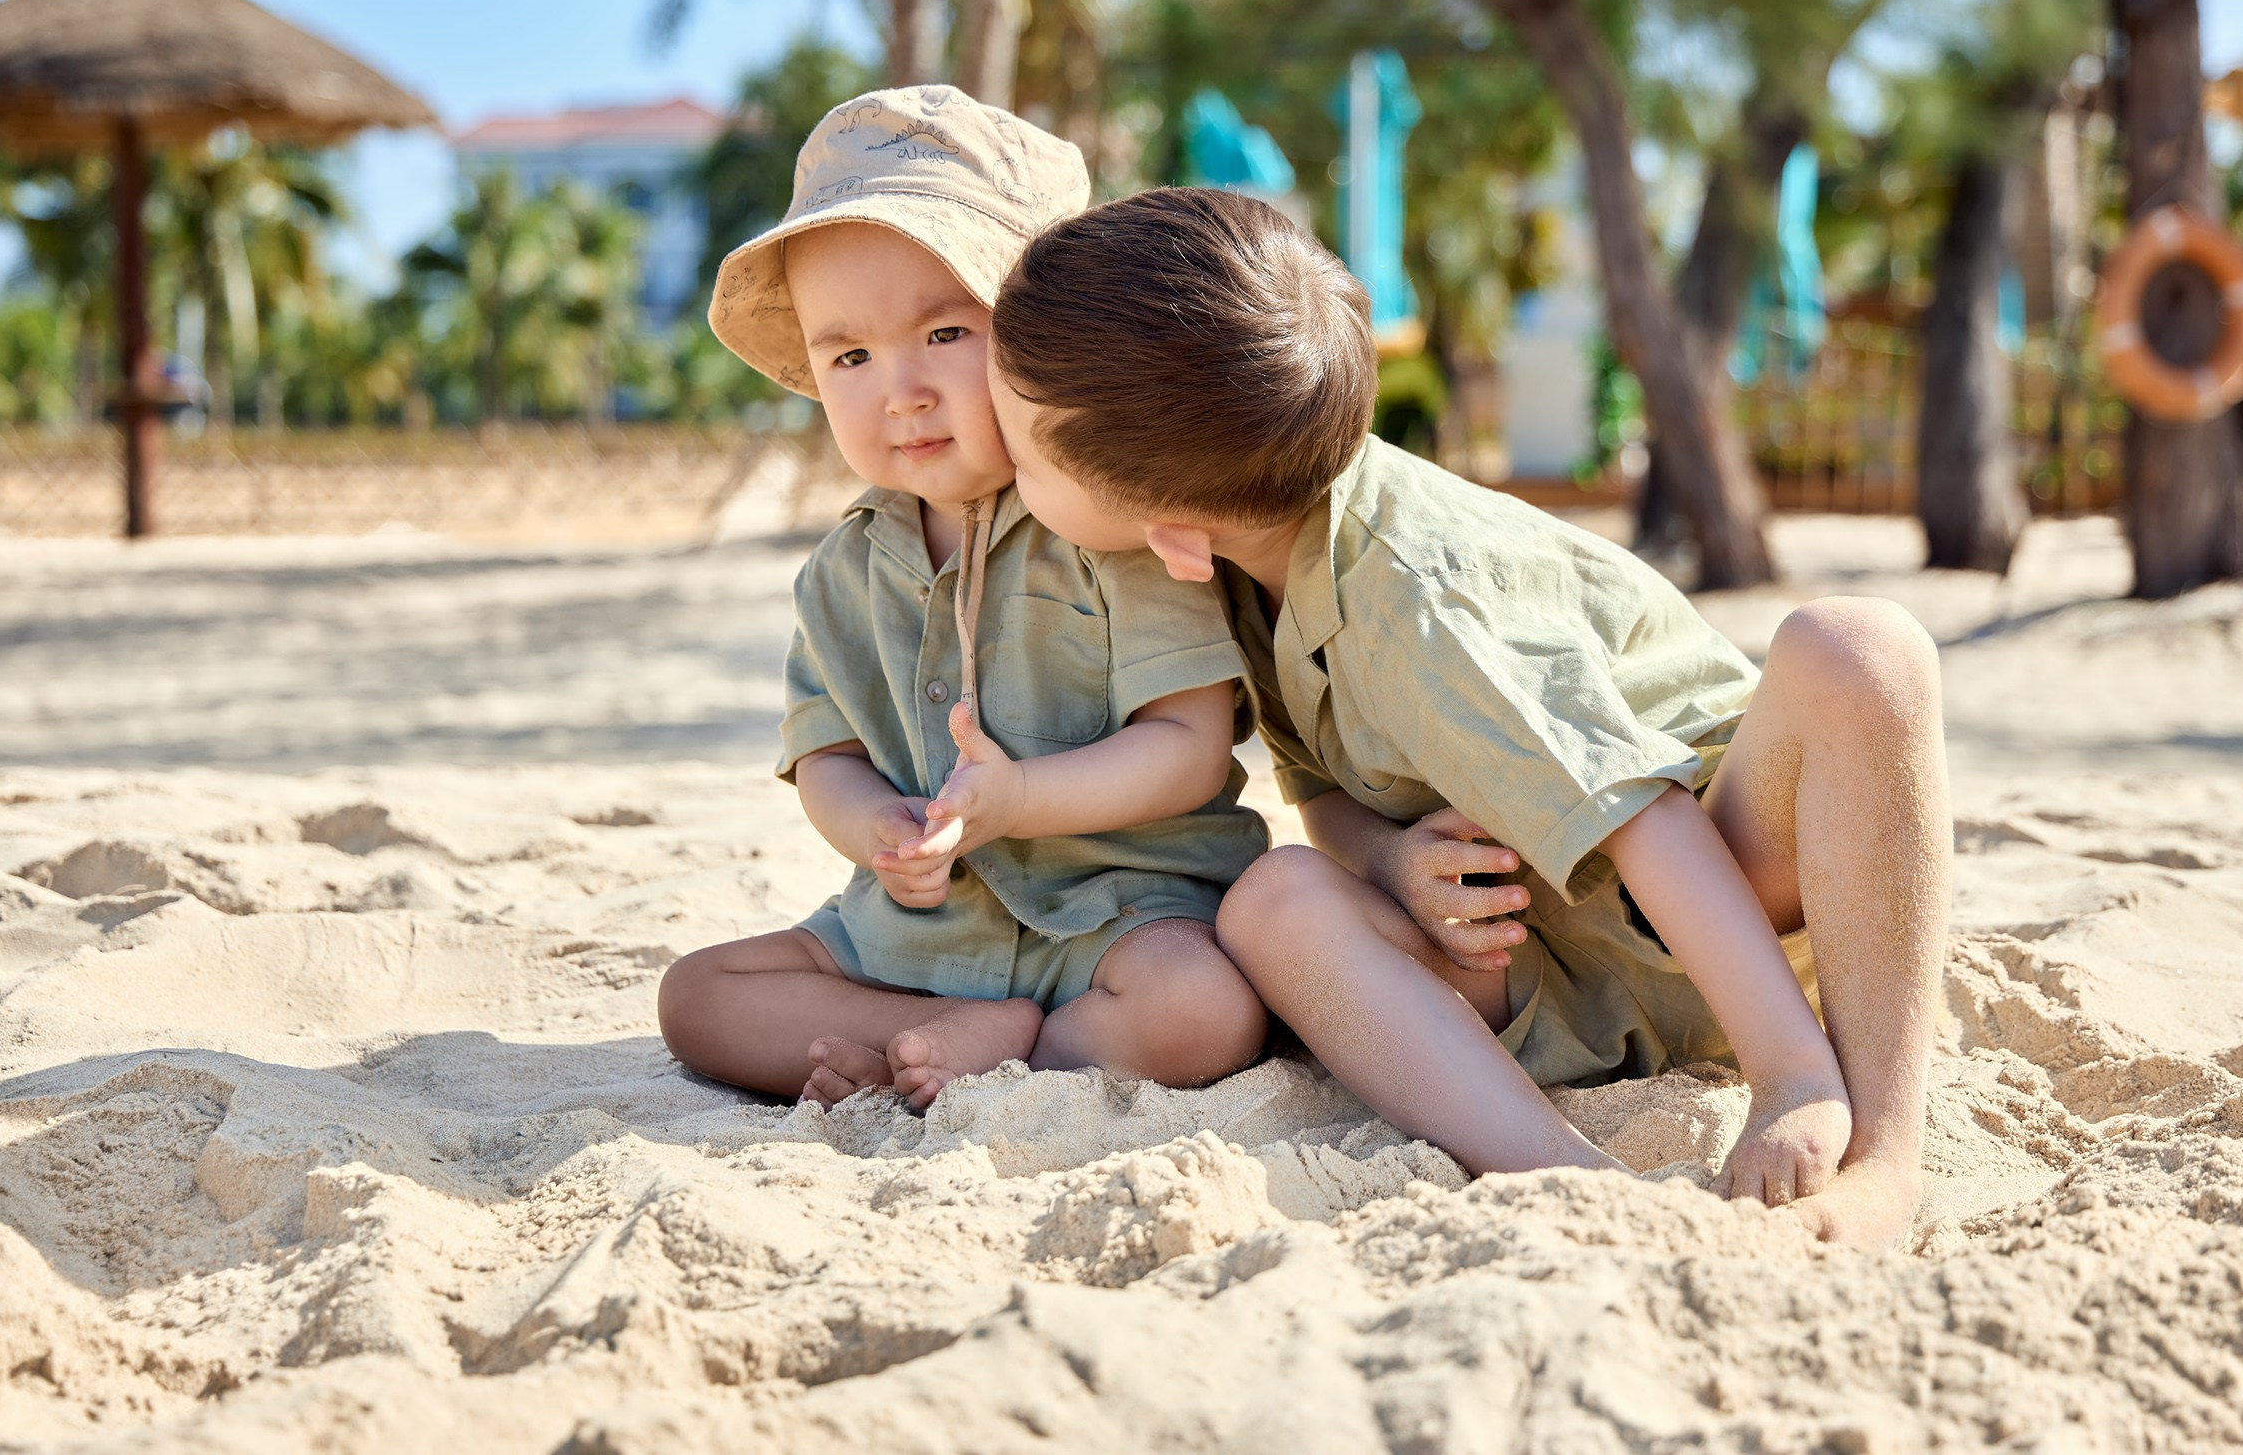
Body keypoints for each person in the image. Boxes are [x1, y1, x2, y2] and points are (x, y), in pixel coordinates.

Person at [985, 186, 1952, 1246]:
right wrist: (1393, 863)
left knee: (1860, 649)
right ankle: (1570, 1177)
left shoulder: (1420, 595)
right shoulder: (1238, 557)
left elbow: (1645, 817)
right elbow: (1324, 791)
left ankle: (1882, 1151)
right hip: (1548, 959)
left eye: (1025, 457)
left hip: (1731, 894)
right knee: (1272, 904)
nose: (1006, 466)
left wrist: (1787, 1071)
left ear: (1172, 529)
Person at [656, 91, 1268, 1110]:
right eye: (848, 355)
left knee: (1204, 1012)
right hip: (918, 937)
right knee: (699, 998)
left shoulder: (1117, 526)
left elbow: (1192, 745)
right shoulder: (841, 572)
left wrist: (1023, 799)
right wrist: (878, 836)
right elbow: (827, 757)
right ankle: (935, 1039)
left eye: (945, 333)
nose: (899, 389)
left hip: (1117, 913)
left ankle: (1007, 1043)